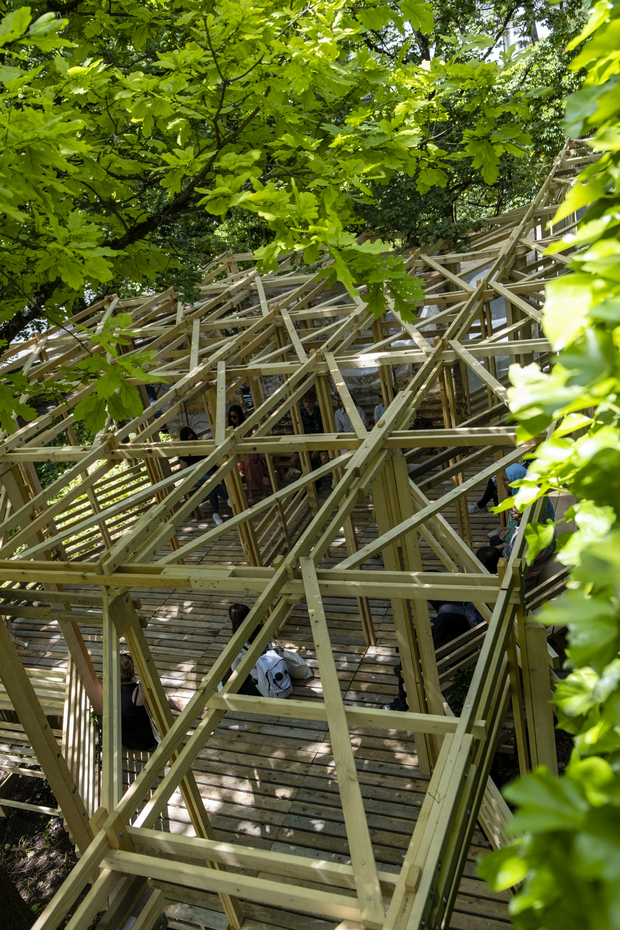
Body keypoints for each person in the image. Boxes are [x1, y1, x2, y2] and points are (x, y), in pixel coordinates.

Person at [120, 652, 181, 751]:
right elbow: (160, 697)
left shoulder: (110, 692)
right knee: (156, 695)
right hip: (146, 739)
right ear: (132, 670)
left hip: (126, 741)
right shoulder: (138, 691)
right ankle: (181, 708)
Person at [179, 425, 229, 525]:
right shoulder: (183, 453)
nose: (193, 440)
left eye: (193, 438)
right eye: (189, 440)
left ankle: (215, 513)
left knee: (209, 483)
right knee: (209, 481)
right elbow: (186, 473)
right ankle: (227, 499)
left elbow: (209, 460)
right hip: (195, 478)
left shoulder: (199, 446)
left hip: (207, 473)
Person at [286, 390, 329, 483]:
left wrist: (316, 449)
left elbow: (322, 432)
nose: (308, 404)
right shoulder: (300, 414)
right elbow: (299, 432)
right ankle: (309, 475)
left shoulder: (320, 413)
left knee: (325, 459)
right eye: (305, 402)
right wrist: (305, 447)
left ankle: (317, 478)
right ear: (303, 402)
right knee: (293, 461)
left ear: (314, 401)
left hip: (320, 443)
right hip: (305, 443)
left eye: (310, 402)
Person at [228, 404, 265, 506]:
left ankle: (251, 493)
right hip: (239, 454)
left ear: (239, 415)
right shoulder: (230, 427)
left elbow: (250, 440)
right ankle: (260, 491)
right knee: (247, 462)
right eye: (231, 417)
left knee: (249, 462)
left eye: (234, 416)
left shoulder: (246, 426)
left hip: (249, 452)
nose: (232, 419)